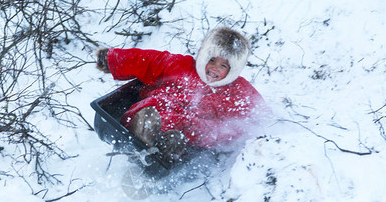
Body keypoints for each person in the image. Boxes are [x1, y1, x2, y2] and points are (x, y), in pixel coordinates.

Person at [96, 27, 268, 163]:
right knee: (153, 112)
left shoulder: (237, 90)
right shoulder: (181, 66)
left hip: (187, 135)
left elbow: (259, 113)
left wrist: (265, 133)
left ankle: (165, 152)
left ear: (233, 70)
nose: (215, 68)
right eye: (212, 60)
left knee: (195, 131)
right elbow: (148, 61)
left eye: (223, 66)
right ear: (203, 57)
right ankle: (143, 135)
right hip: (155, 112)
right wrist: (113, 59)